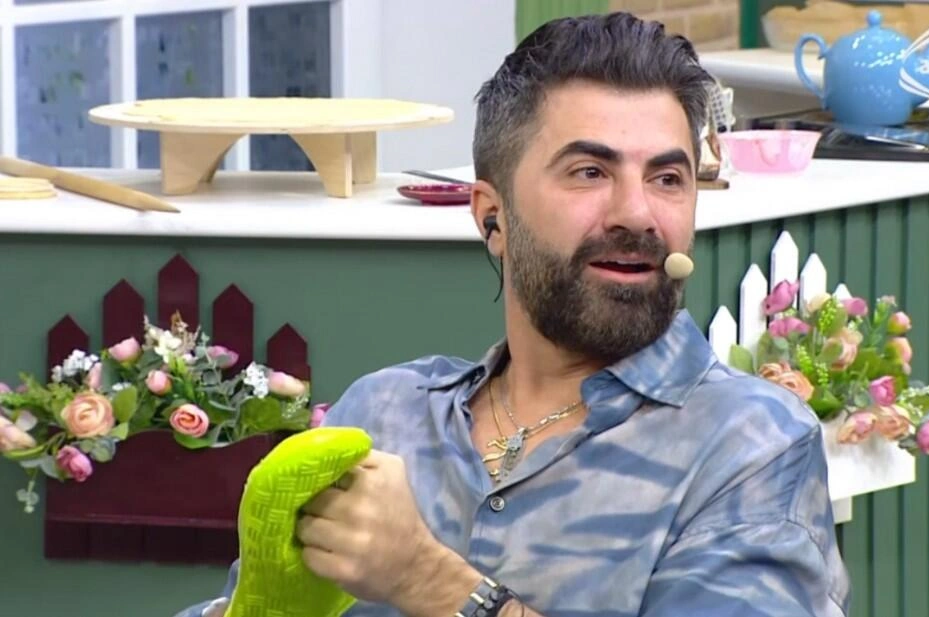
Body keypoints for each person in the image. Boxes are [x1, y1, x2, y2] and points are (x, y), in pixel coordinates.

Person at [180, 12, 850, 617]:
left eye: (667, 178)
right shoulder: (385, 415)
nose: (638, 213)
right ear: (492, 217)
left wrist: (429, 580)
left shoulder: (751, 445)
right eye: (590, 172)